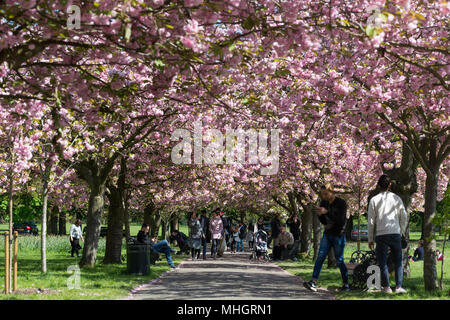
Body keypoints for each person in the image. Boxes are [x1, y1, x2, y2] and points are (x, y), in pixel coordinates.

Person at [304, 184, 350, 293]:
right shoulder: (323, 203)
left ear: (332, 192)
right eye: (322, 194)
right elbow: (324, 222)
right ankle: (313, 282)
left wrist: (327, 212)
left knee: (339, 260)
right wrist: (320, 215)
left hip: (338, 235)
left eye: (326, 193)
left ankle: (346, 284)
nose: (324, 196)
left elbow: (340, 220)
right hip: (328, 234)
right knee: (320, 257)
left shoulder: (341, 203)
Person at [368, 174, 408, 294]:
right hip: (395, 232)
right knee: (398, 261)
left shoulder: (374, 200)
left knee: (382, 262)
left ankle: (386, 287)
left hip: (381, 234)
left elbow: (371, 222)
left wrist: (370, 238)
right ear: (390, 185)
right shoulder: (397, 198)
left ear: (378, 185)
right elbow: (404, 217)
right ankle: (398, 286)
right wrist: (401, 231)